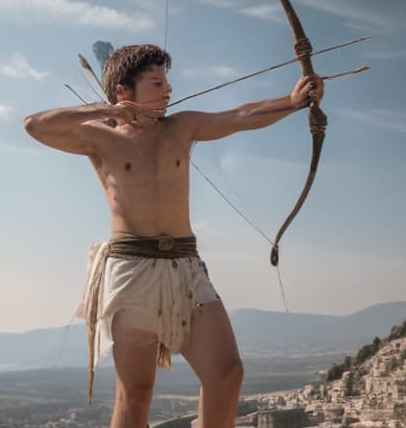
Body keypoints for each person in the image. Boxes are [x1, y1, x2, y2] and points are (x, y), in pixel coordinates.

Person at [23, 44, 324, 428]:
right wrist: (106, 113)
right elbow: (35, 125)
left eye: (167, 83)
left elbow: (239, 117)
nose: (168, 91)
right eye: (156, 83)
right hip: (131, 270)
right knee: (136, 395)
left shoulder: (182, 126)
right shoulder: (100, 139)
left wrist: (295, 101)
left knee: (226, 374)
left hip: (185, 266)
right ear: (123, 91)